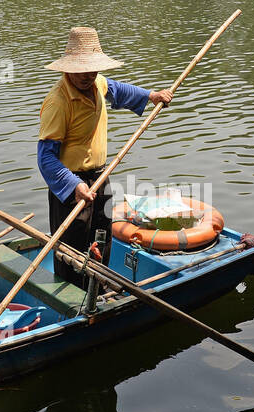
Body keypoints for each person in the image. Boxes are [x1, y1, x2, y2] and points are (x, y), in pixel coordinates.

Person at [37, 27, 172, 287]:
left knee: (102, 237)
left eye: (93, 69)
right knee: (72, 249)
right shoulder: (59, 102)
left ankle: (97, 290)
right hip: (70, 186)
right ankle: (72, 298)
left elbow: (116, 90)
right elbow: (46, 158)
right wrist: (74, 185)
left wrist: (150, 95)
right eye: (83, 70)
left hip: (100, 178)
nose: (89, 75)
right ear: (69, 68)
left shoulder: (96, 82)